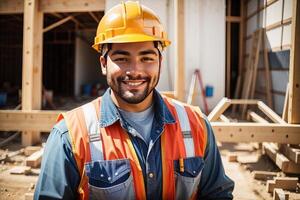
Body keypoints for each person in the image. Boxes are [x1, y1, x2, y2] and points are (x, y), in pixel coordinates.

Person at [34, 1, 234, 199]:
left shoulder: (196, 125)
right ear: (104, 64)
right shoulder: (70, 135)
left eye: (147, 58)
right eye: (121, 58)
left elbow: (218, 194)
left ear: (160, 63)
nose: (135, 71)